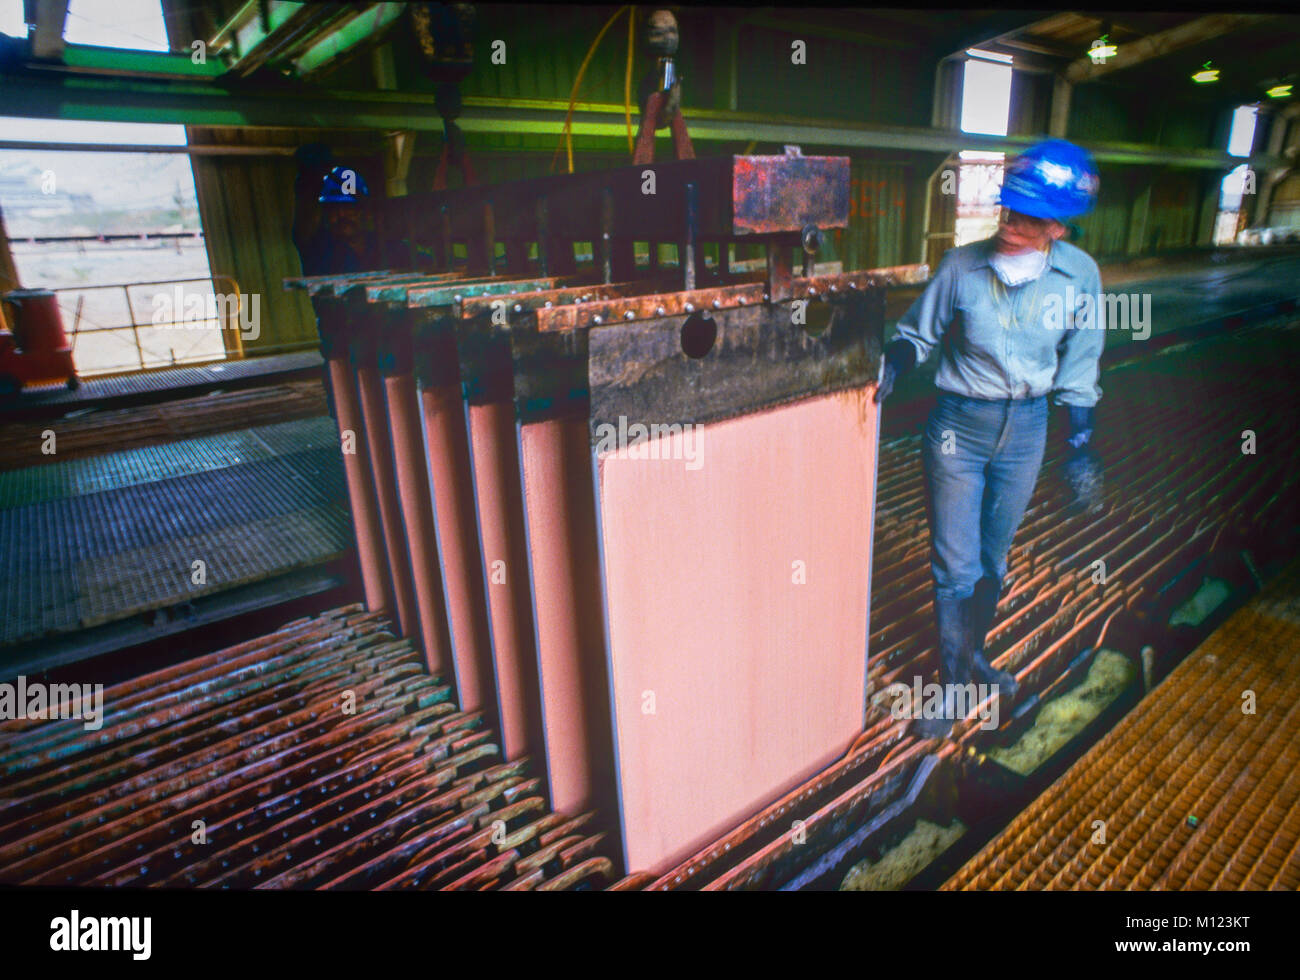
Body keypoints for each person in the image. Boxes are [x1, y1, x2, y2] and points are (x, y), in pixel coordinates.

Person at [874, 138, 1106, 739]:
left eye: (1028, 219)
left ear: (1059, 227)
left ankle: (974, 659)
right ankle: (952, 689)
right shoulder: (961, 267)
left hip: (1028, 428)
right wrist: (897, 359)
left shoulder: (1080, 277)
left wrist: (1080, 442)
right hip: (959, 427)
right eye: (1008, 211)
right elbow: (917, 333)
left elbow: (1081, 360)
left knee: (990, 559)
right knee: (954, 563)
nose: (1010, 226)